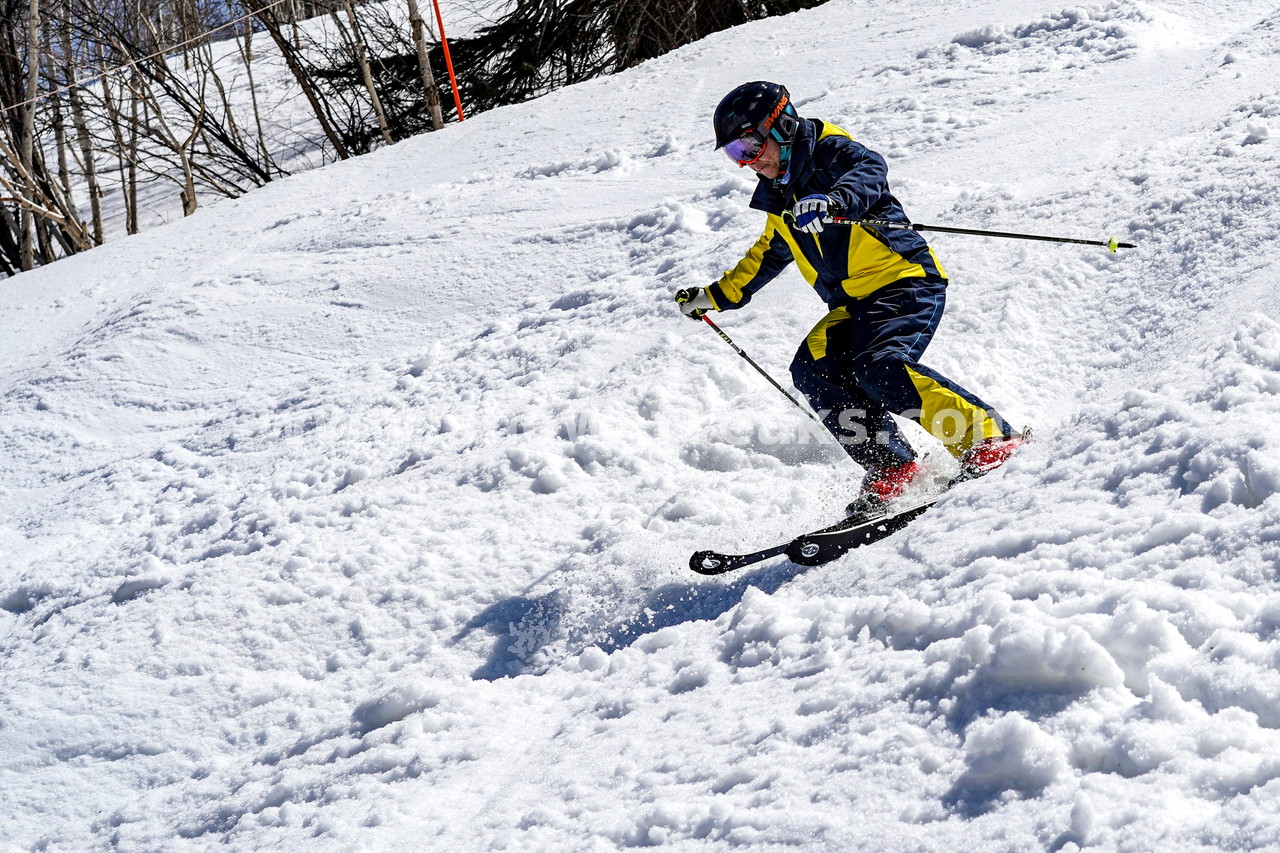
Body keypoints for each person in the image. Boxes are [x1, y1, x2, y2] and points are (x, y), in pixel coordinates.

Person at [676, 81, 1024, 514]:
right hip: (852, 304)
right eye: (734, 154)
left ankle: (987, 437)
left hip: (903, 280)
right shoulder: (780, 198)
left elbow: (870, 171)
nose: (747, 161)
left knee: (881, 368)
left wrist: (833, 199)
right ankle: (892, 467)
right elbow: (765, 254)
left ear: (781, 125)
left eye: (749, 144)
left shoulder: (829, 149)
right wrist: (713, 296)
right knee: (813, 366)